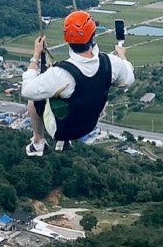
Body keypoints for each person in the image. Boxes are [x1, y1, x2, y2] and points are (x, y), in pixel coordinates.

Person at [21, 10, 134, 157]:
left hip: (61, 129)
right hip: (88, 125)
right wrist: (122, 57)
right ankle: (61, 141)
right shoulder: (111, 63)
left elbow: (27, 90)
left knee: (34, 99)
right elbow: (129, 79)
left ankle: (38, 142)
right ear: (93, 36)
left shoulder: (59, 74)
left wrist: (35, 56)